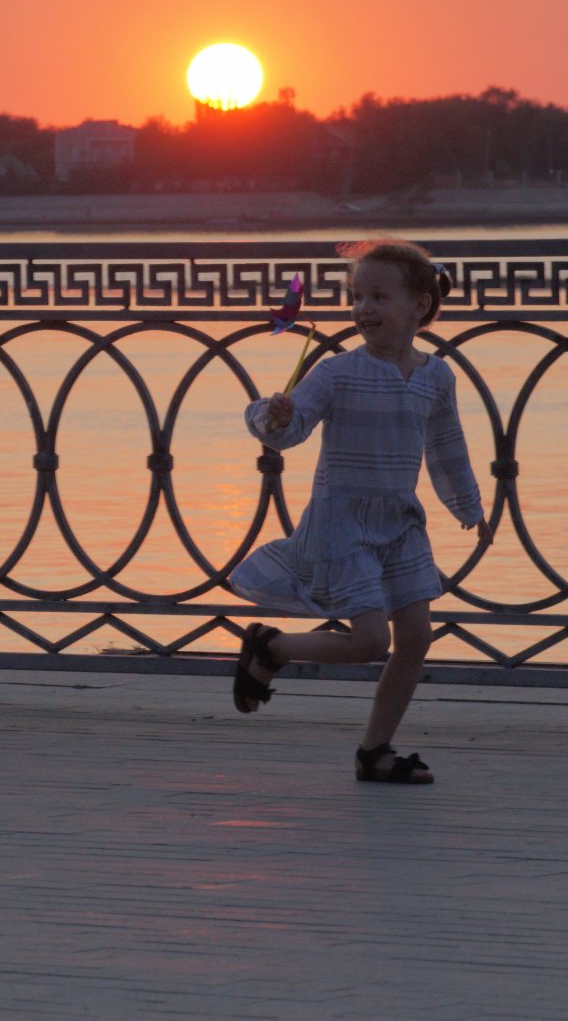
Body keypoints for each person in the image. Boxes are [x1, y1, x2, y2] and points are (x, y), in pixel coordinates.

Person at [228, 239, 490, 784]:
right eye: (356, 297)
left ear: (419, 305)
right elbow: (289, 432)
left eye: (378, 297)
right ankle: (270, 646)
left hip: (400, 523)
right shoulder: (336, 372)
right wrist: (274, 416)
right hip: (343, 523)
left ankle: (376, 751)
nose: (363, 309)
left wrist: (469, 506)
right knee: (373, 640)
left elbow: (447, 446)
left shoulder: (436, 377)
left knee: (417, 637)